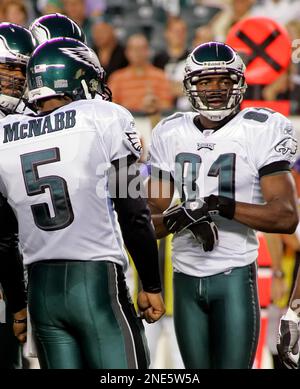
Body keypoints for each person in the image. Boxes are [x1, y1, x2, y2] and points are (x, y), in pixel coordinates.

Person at [0, 37, 165, 369]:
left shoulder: (5, 132)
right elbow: (134, 212)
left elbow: (4, 239)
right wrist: (151, 283)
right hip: (95, 282)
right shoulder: (105, 117)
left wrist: (18, 304)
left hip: (41, 292)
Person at [146, 41, 299, 369]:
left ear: (238, 83)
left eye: (223, 80)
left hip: (234, 274)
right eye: (205, 81)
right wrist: (181, 216)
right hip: (183, 277)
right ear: (191, 85)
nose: (214, 88)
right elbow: (147, 223)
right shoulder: (170, 131)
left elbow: (286, 216)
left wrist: (218, 206)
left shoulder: (261, 127)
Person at [0, 22, 35, 368]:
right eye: (4, 67)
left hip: (22, 265)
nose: (12, 77)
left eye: (19, 69)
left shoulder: (36, 119)